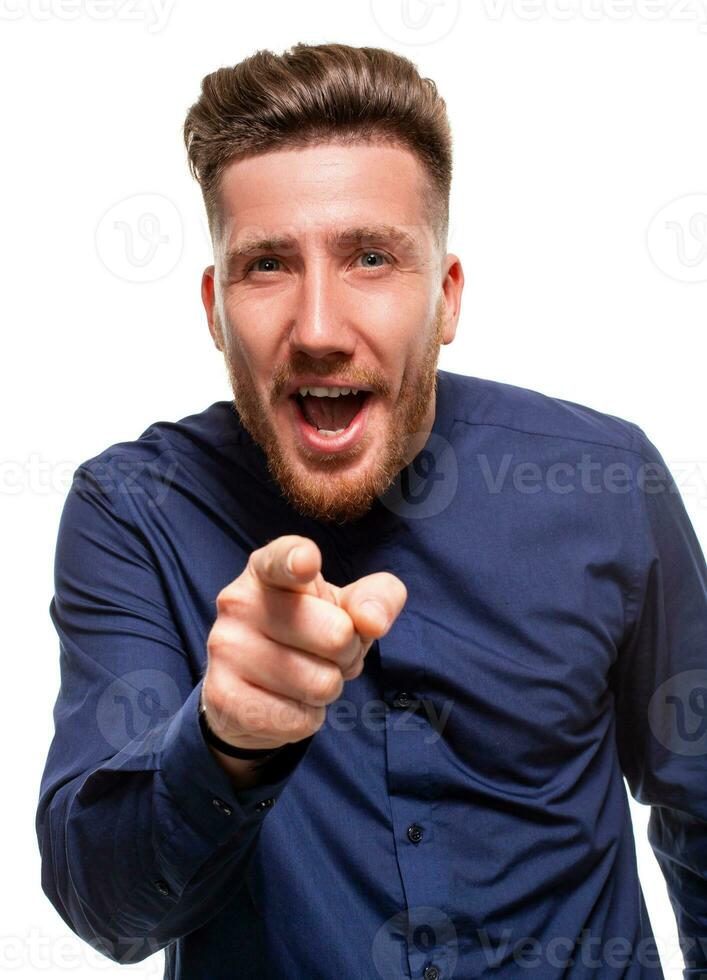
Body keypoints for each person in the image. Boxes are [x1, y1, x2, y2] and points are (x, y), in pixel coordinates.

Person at [36, 42, 706, 979]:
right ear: (213, 306)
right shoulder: (132, 512)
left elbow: (701, 804)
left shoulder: (607, 482)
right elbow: (106, 911)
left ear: (445, 296)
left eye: (371, 258)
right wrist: (224, 740)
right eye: (266, 264)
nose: (316, 329)